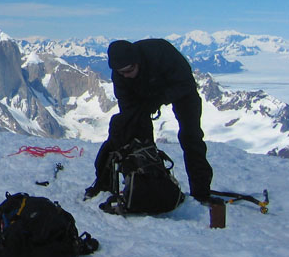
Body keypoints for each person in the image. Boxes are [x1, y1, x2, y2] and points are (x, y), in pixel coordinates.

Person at [85, 39, 214, 202]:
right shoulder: (120, 76)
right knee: (134, 134)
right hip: (145, 95)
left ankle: (201, 191)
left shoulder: (162, 53)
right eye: (121, 72)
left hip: (180, 91)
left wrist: (160, 99)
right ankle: (147, 181)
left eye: (129, 70)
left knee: (191, 136)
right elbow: (127, 108)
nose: (126, 75)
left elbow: (186, 84)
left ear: (137, 62)